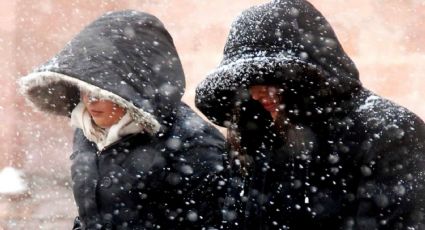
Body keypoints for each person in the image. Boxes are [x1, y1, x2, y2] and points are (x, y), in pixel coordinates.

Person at [195, 0, 425, 229]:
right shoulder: (261, 139)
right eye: (248, 83)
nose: (256, 93)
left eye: (268, 78)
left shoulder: (390, 133)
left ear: (303, 78)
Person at [19, 10, 226, 229]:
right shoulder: (89, 130)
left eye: (102, 90)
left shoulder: (194, 143)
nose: (90, 101)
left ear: (133, 89)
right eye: (85, 88)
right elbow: (92, 216)